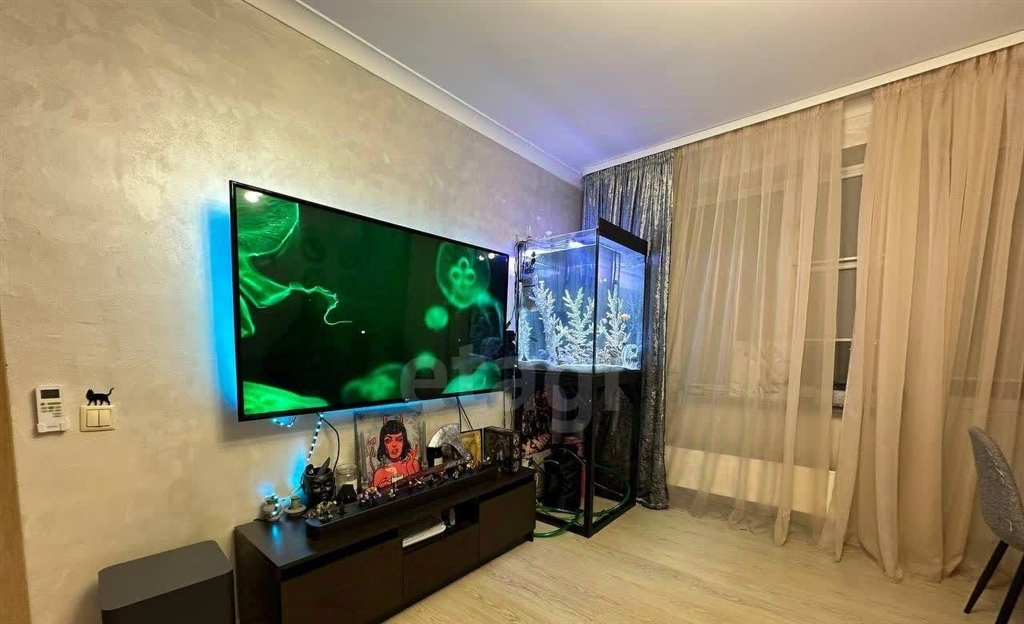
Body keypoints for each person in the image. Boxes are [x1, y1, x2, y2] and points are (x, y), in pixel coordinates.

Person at [372, 419, 421, 488]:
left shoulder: (413, 464)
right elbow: (375, 493)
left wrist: (409, 468)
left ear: (404, 442)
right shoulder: (379, 473)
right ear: (383, 444)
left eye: (399, 439)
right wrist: (381, 489)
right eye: (388, 440)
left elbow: (418, 489)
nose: (394, 444)